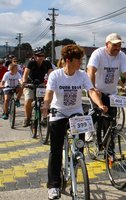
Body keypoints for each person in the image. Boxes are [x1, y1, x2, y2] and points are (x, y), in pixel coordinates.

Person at [42, 44, 107, 200]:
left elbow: (91, 91)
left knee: (79, 148)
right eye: (79, 60)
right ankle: (54, 186)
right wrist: (45, 106)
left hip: (77, 114)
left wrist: (100, 104)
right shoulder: (55, 75)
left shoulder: (82, 75)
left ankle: (75, 172)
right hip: (58, 113)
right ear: (68, 60)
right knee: (55, 151)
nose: (81, 63)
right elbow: (49, 93)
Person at [86, 33, 126, 140]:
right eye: (114, 45)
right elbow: (91, 71)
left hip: (112, 93)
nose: (117, 48)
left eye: (119, 45)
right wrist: (92, 89)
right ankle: (88, 128)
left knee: (110, 123)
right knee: (96, 112)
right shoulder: (98, 53)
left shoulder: (122, 56)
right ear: (107, 44)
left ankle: (109, 152)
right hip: (97, 91)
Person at [22, 47, 53, 127]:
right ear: (35, 56)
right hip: (30, 84)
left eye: (42, 55)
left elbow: (51, 74)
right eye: (38, 55)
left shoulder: (47, 63)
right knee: (29, 100)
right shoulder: (31, 63)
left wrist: (52, 83)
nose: (41, 57)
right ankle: (27, 118)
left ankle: (44, 117)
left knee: (45, 101)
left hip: (41, 84)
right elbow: (25, 74)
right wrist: (24, 82)